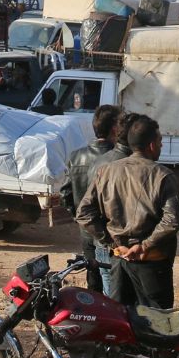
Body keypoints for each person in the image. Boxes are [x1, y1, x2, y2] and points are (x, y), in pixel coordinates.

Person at [78, 116, 179, 309]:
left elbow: (83, 213)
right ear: (151, 145)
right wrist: (143, 246)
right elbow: (172, 220)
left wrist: (115, 243)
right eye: (160, 142)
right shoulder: (163, 175)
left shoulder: (106, 171)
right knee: (157, 325)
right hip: (153, 264)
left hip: (119, 259)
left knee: (122, 321)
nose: (161, 147)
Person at [63, 105, 122, 294]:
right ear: (115, 128)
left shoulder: (76, 156)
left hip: (86, 229)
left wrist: (79, 217)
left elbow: (65, 193)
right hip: (108, 232)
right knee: (111, 282)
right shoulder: (117, 158)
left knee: (93, 278)